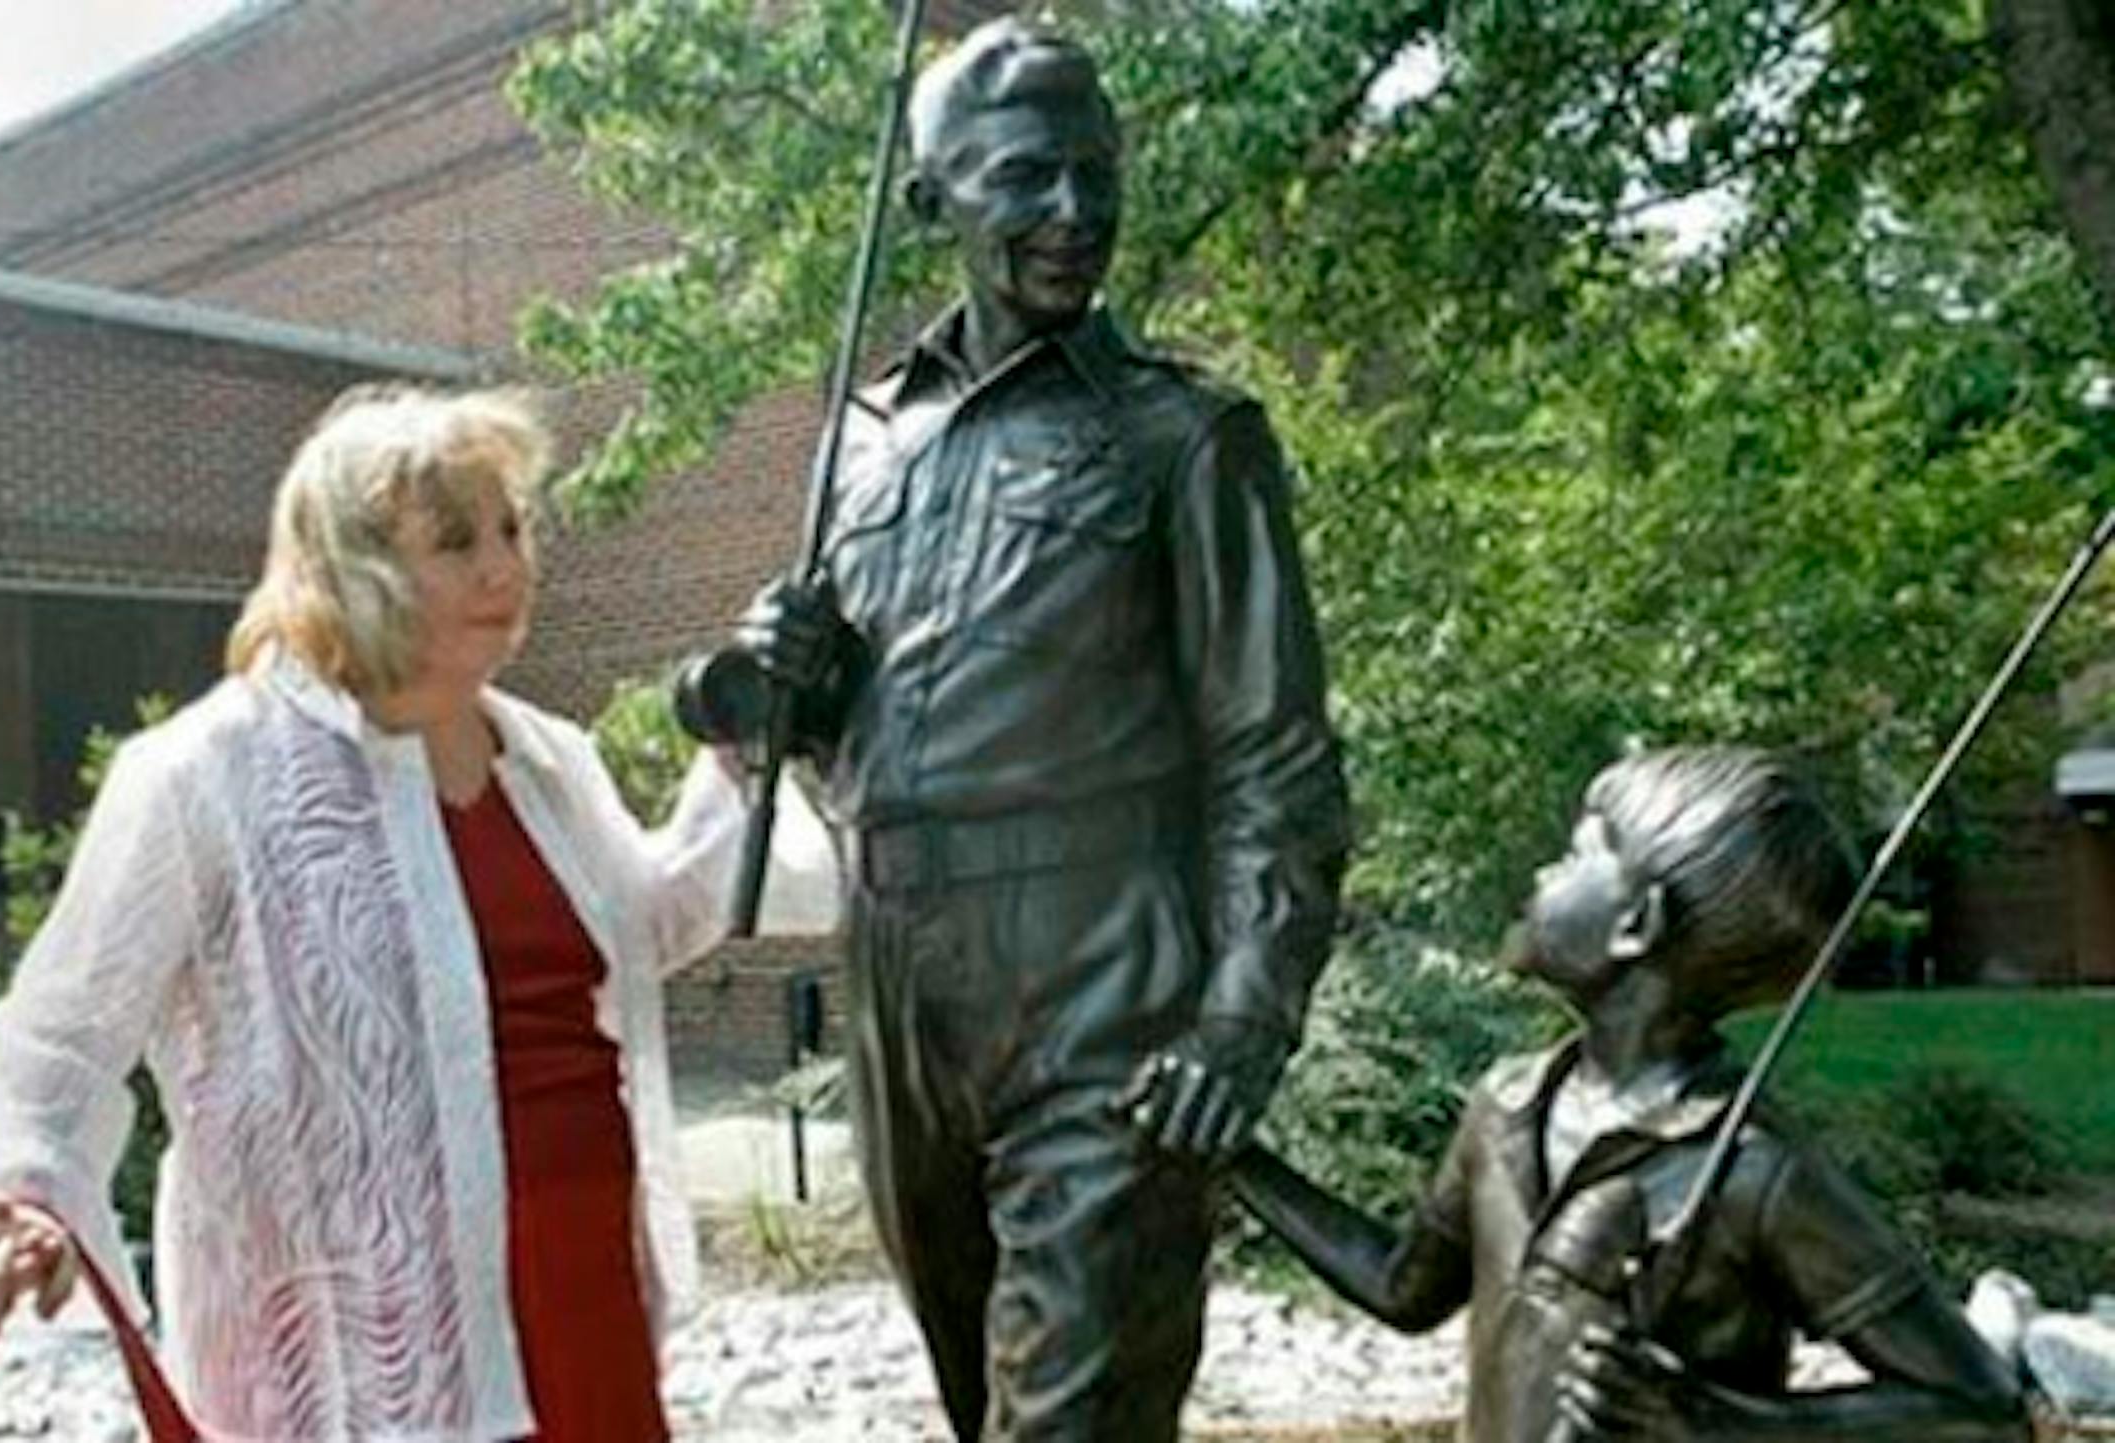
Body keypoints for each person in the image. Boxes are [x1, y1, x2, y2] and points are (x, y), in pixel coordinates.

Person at [679, 16, 1349, 1441]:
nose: (1076, 213)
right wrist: (762, 687)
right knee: (978, 1396)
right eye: (1028, 178)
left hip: (1106, 974)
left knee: (1073, 1418)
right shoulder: (858, 442)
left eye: (1096, 174)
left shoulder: (1188, 436)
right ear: (931, 199)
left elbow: (1273, 752)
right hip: (900, 981)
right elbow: (837, 733)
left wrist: (1245, 1009)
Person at [0, 385, 837, 1439]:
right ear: (353, 567)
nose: (504, 568)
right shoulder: (204, 776)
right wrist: (13, 1196)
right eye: (455, 541)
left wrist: (748, 745)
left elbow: (646, 924)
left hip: (582, 1295)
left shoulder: (550, 760)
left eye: (511, 529)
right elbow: (66, 1031)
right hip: (366, 1343)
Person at [1131, 747, 2026, 1442]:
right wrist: (1233, 1157)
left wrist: (1724, 1425)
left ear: (1637, 924)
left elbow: (1980, 1410)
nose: (1539, 877)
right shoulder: (1506, 1105)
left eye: (1573, 854)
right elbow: (1405, 1289)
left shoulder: (1755, 1169)